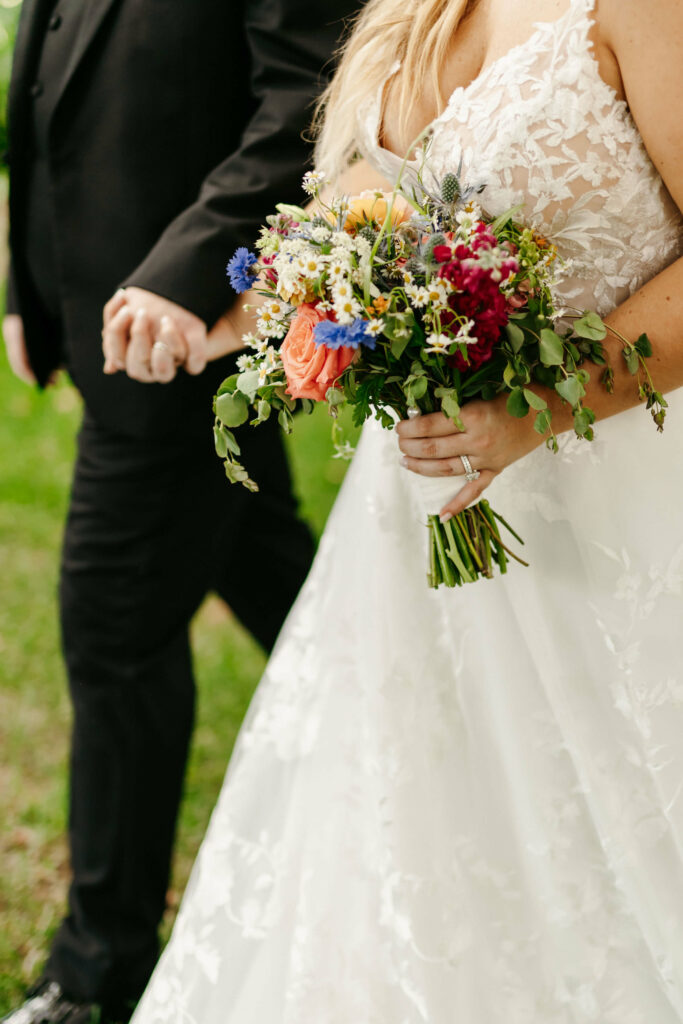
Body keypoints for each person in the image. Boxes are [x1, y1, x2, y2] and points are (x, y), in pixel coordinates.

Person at [116, 0, 683, 1020]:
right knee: (394, 842)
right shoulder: (404, 10)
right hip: (407, 541)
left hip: (612, 517)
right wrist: (254, 322)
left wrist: (537, 409)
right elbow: (351, 221)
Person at [1, 2, 362, 1023]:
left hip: (188, 332)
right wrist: (35, 289)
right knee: (261, 556)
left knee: (112, 626)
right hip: (101, 311)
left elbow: (306, 99)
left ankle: (98, 970)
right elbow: (45, 70)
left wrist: (181, 278)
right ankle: (432, 691)